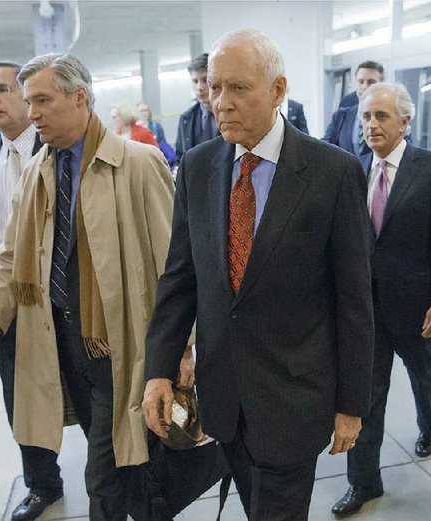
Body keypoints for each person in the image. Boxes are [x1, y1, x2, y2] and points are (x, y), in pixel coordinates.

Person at [142, 29, 374, 521]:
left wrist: (352, 404)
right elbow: (180, 280)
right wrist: (159, 370)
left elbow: (354, 300)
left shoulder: (332, 173)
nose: (221, 103)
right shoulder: (199, 167)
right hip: (224, 400)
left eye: (238, 88)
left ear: (277, 89)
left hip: (296, 400)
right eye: (215, 88)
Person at [0, 53, 175, 521]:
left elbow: (174, 268)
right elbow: (8, 257)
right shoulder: (37, 173)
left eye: (42, 100)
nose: (32, 112)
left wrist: (183, 349)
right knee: (128, 463)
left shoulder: (138, 165)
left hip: (119, 346)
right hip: (63, 345)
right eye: (29, 101)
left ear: (79, 97)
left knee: (103, 476)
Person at [331, 83, 431, 517]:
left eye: (382, 116)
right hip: (366, 311)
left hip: (418, 307)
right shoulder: (353, 171)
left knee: (424, 375)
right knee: (365, 396)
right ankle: (364, 483)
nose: (372, 125)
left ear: (405, 122)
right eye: (366, 117)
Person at [0, 61, 63, 521]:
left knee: (78, 387)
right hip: (10, 295)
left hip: (62, 294)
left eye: (4, 89)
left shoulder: (59, 146)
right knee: (18, 394)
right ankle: (42, 483)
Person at [323, 60, 384, 156]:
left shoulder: (391, 117)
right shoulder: (341, 117)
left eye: (371, 82)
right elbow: (325, 147)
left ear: (381, 85)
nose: (364, 86)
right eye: (361, 81)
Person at [174, 52, 219, 164]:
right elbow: (180, 156)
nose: (199, 87)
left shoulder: (233, 113)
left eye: (205, 80)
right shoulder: (186, 119)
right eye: (195, 81)